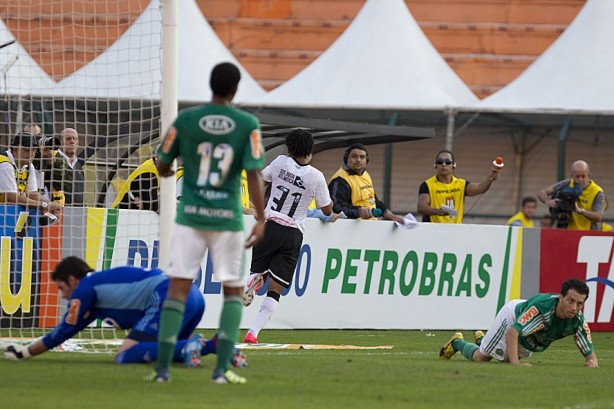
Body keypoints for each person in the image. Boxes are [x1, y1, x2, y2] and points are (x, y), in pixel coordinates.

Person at [152, 62, 266, 384]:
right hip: (228, 218)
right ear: (235, 88)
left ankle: (162, 371)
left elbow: (162, 163)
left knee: (177, 290)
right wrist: (260, 217)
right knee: (232, 292)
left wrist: (168, 170)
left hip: (191, 216)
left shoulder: (186, 120)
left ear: (211, 84)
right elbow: (255, 173)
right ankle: (220, 371)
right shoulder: (247, 123)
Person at [2, 256, 246, 368]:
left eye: (62, 288)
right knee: (170, 353)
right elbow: (65, 333)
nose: (64, 295)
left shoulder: (84, 289)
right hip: (193, 296)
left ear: (72, 280)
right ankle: (215, 345)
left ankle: (194, 345)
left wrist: (23, 353)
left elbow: (61, 332)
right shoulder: (94, 290)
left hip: (166, 296)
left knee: (125, 355)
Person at [243, 129, 337, 344]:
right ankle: (253, 333)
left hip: (269, 225)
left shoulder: (279, 163)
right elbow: (325, 209)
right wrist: (330, 207)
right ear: (311, 151)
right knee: (276, 288)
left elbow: (262, 178)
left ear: (289, 148)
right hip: (293, 232)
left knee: (259, 271)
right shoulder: (316, 176)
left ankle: (252, 281)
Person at [439, 278, 598, 367]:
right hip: (513, 318)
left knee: (504, 358)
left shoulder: (577, 320)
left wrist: (591, 362)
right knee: (482, 358)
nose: (574, 307)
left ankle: (483, 339)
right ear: (560, 297)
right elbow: (513, 332)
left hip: (528, 334)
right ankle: (457, 343)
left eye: (579, 303)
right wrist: (516, 366)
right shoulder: (541, 308)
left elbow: (591, 356)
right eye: (570, 301)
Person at [328, 143, 404, 223]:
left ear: (366, 160)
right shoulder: (339, 180)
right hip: (350, 229)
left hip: (370, 226)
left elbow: (374, 201)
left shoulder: (365, 175)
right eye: (354, 156)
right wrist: (358, 212)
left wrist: (392, 216)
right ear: (346, 158)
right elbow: (336, 207)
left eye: (362, 157)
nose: (358, 160)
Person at [417, 150, 500, 223]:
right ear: (435, 165)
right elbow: (421, 207)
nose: (443, 164)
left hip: (456, 231)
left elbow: (480, 188)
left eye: (448, 162)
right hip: (433, 230)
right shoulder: (427, 184)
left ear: (454, 165)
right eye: (440, 162)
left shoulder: (461, 184)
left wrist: (490, 178)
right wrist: (437, 211)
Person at [0, 132, 61, 215]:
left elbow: (33, 194)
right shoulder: (5, 164)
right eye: (27, 150)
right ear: (15, 150)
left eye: (34, 150)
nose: (32, 154)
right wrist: (45, 205)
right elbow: (12, 198)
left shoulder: (29, 165)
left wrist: (52, 204)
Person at [538, 160, 607, 230]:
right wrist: (548, 201)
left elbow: (598, 216)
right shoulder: (567, 184)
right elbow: (542, 193)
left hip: (588, 234)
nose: (580, 179)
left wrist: (580, 211)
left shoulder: (597, 192)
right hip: (569, 231)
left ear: (588, 175)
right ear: (572, 176)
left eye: (583, 176)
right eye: (577, 176)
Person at [111, 147, 184, 212]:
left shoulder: (155, 169)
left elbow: (150, 203)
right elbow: (153, 206)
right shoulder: (149, 173)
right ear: (156, 157)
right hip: (119, 215)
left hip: (128, 214)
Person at [56, 128, 85, 206]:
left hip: (77, 214)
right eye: (68, 139)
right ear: (60, 142)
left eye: (75, 139)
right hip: (58, 212)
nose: (72, 141)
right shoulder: (53, 160)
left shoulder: (78, 165)